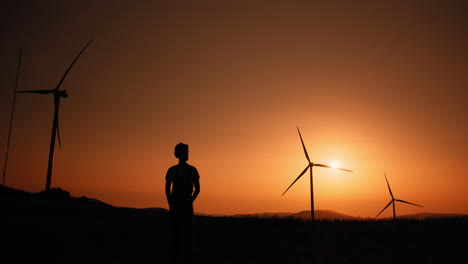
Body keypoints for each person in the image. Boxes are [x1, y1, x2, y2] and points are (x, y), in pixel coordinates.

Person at [165, 142, 200, 264]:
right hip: (177, 205)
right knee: (176, 232)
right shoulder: (172, 170)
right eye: (185, 152)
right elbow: (167, 189)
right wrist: (171, 203)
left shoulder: (192, 170)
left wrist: (189, 201)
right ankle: (176, 255)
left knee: (187, 232)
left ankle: (186, 256)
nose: (187, 154)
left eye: (187, 152)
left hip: (185, 205)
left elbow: (198, 189)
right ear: (178, 154)